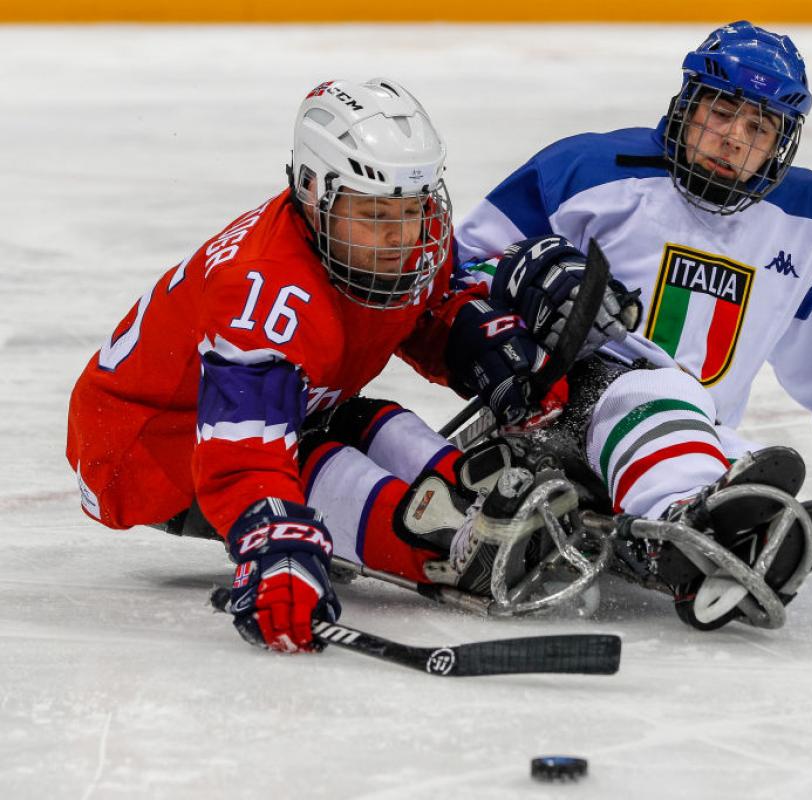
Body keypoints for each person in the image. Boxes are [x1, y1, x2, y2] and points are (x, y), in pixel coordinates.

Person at [454, 21, 812, 627]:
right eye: (721, 113)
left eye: (758, 128)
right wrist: (516, 278)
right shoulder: (587, 174)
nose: (732, 140)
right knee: (653, 391)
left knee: (746, 464)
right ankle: (679, 524)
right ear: (686, 104)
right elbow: (452, 276)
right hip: (551, 420)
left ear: (782, 143)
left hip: (679, 439)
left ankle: (716, 520)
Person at [66, 78, 563, 653]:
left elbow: (428, 311)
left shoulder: (388, 237)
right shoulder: (262, 292)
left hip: (281, 405)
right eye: (376, 213)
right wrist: (276, 548)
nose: (401, 237)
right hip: (148, 447)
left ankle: (470, 495)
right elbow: (242, 456)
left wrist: (493, 356)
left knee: (373, 422)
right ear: (312, 192)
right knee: (317, 460)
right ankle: (444, 549)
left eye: (415, 206)